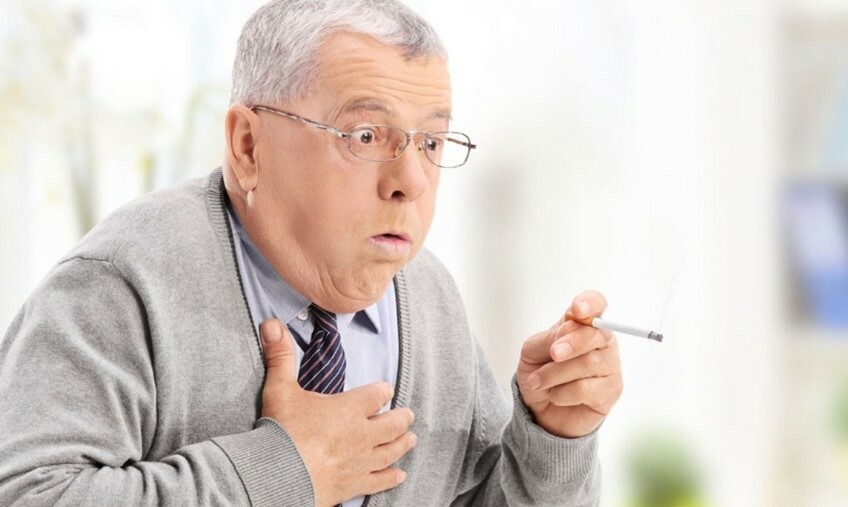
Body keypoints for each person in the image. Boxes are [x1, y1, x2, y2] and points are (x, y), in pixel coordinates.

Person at [0, 1, 623, 505]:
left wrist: (553, 437)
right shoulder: (120, 286)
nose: (410, 181)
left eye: (432, 142)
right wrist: (283, 472)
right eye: (365, 135)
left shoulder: (429, 295)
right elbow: (30, 494)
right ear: (248, 146)